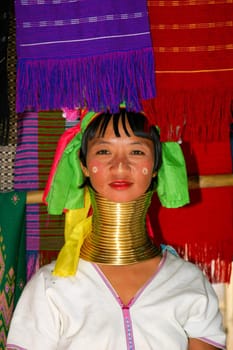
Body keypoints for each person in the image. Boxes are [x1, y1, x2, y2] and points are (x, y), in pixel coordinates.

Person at [7, 109, 226, 350]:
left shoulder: (187, 280)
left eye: (136, 151)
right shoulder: (50, 287)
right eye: (103, 151)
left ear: (155, 166)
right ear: (84, 166)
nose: (119, 165)